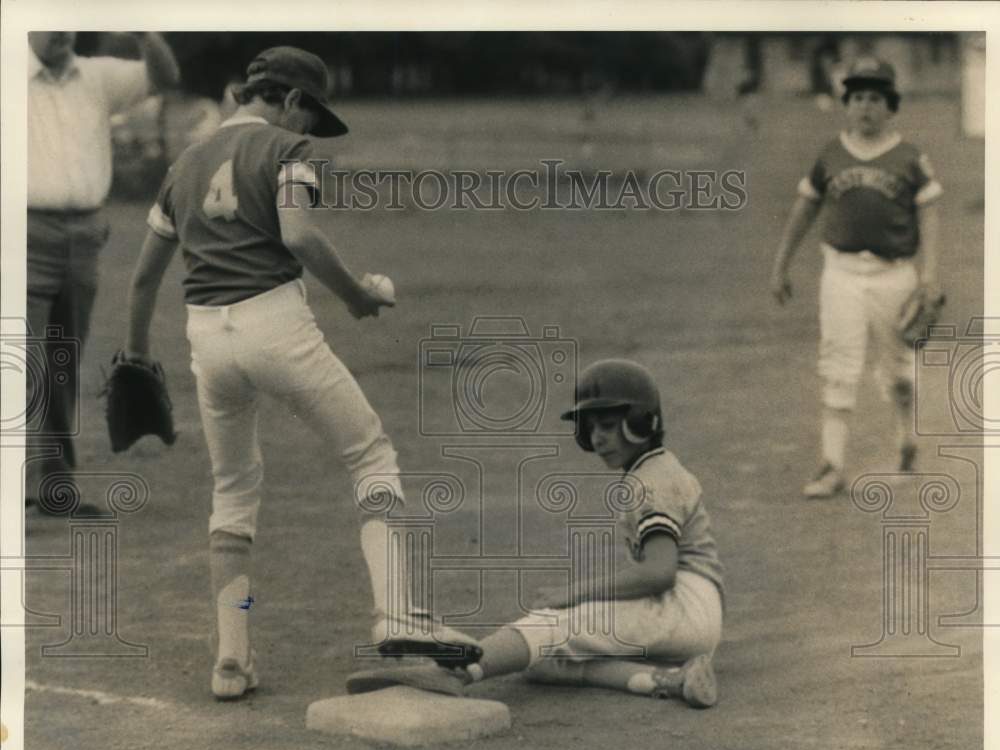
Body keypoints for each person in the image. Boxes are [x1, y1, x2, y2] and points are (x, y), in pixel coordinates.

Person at [123, 46, 478, 700]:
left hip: (208, 337)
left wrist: (137, 357)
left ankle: (231, 658)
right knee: (370, 452)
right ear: (287, 100)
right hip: (276, 323)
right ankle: (397, 613)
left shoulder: (185, 163)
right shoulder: (286, 151)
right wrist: (357, 294)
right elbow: (301, 236)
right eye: (309, 116)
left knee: (232, 492)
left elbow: (144, 279)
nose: (310, 132)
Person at [346, 359, 725, 709]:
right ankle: (671, 680)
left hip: (685, 605)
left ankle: (453, 673)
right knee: (544, 661)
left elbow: (659, 572)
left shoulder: (654, 479)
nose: (596, 439)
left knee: (551, 623)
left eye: (607, 426)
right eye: (590, 429)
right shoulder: (652, 470)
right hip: (689, 615)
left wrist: (572, 595)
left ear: (640, 422)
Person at [769, 57, 942, 499]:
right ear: (847, 105)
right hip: (842, 273)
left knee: (899, 372)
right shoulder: (831, 154)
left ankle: (906, 441)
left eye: (875, 98)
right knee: (838, 366)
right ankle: (832, 464)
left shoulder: (909, 157)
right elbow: (804, 209)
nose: (865, 106)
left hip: (895, 274)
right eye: (858, 97)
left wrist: (930, 275)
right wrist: (781, 264)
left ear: (890, 107)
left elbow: (929, 213)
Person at [26, 31, 180, 517]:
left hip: (84, 235)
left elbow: (165, 77)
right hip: (22, 233)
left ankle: (54, 489)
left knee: (62, 363)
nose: (61, 31)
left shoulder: (95, 75)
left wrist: (143, 31)